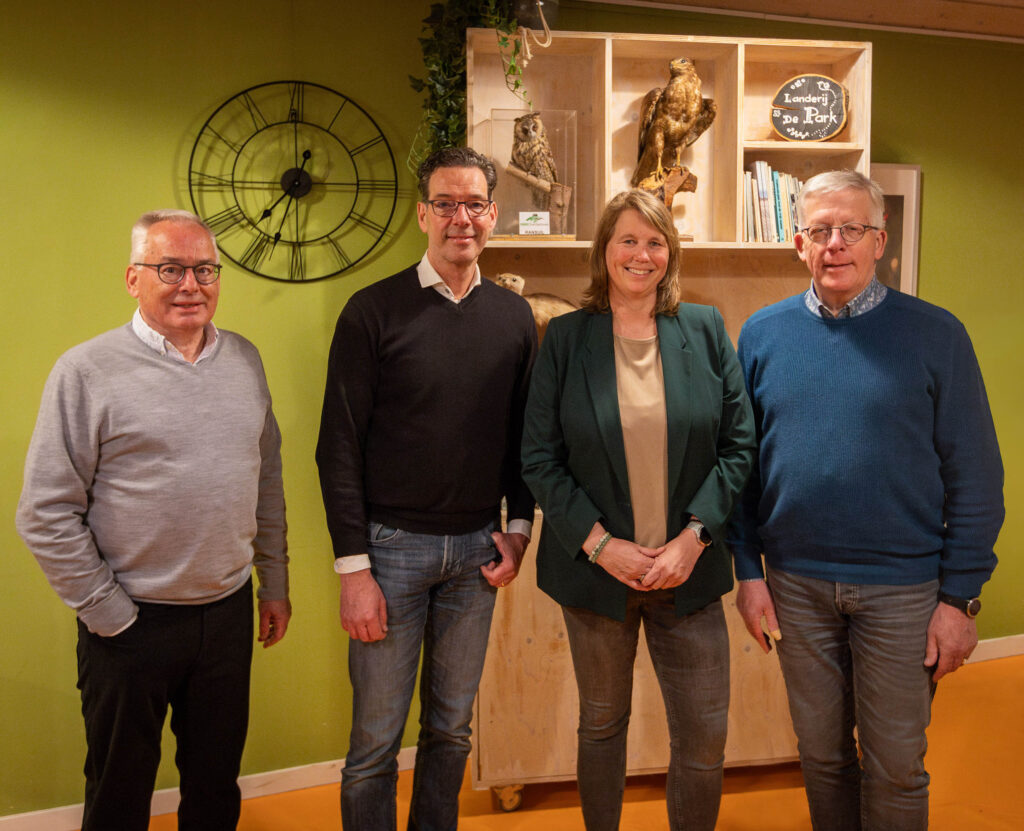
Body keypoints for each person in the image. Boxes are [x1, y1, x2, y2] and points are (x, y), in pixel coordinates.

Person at [728, 169, 1004, 830]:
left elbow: (976, 476)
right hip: (795, 586)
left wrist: (960, 598)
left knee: (896, 766)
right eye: (820, 230)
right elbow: (740, 466)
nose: (835, 244)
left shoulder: (937, 335)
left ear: (879, 240)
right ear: (799, 243)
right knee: (823, 758)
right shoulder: (761, 335)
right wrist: (747, 572)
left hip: (904, 590)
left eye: (852, 229)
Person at [16, 209, 291, 831]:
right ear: (133, 278)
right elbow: (45, 512)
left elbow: (266, 481)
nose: (190, 284)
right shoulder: (85, 371)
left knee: (215, 788)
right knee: (118, 793)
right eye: (170, 269)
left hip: (226, 615)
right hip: (130, 622)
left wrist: (272, 583)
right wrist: (108, 613)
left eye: (205, 270)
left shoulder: (244, 359)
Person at [316, 146, 537, 830]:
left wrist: (519, 530)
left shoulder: (514, 317)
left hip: (477, 553)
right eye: (446, 204)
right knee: (375, 743)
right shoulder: (372, 311)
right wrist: (354, 570)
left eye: (473, 204)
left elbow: (524, 438)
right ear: (423, 214)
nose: (460, 218)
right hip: (390, 552)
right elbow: (337, 447)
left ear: (492, 215)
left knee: (451, 730)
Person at [521, 189, 756, 831]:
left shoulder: (704, 329)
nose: (641, 254)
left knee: (704, 738)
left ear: (669, 253)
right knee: (601, 725)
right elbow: (539, 458)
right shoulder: (566, 339)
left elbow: (739, 446)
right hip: (597, 577)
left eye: (655, 242)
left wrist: (694, 539)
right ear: (605, 250)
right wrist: (601, 546)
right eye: (627, 240)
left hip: (688, 575)